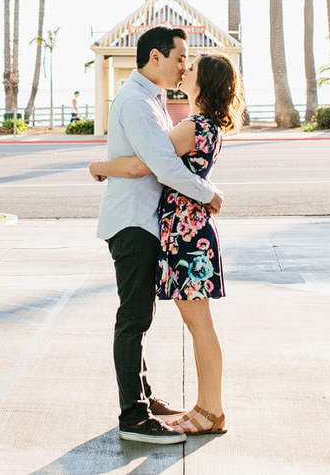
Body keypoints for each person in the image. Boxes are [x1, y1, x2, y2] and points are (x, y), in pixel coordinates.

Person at [92, 52, 242, 437]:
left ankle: (212, 411)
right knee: (198, 324)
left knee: (199, 324)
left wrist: (98, 168)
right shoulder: (205, 126)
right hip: (189, 230)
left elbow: (142, 164)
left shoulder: (194, 125)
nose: (183, 69)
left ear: (203, 83)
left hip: (187, 233)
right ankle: (205, 407)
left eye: (191, 68)